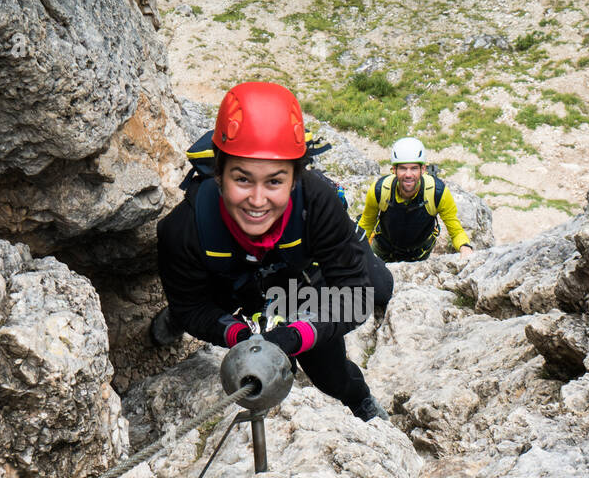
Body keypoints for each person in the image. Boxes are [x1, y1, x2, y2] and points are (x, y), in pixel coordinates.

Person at [155, 82, 389, 422]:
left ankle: (359, 399)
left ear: (295, 179)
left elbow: (354, 293)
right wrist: (236, 333)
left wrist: (297, 334)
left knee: (333, 372)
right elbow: (192, 306)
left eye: (275, 181)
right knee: (191, 305)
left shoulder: (316, 203)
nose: (257, 200)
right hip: (229, 282)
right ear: (218, 174)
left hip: (297, 281)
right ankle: (175, 319)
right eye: (242, 179)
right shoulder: (183, 229)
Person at [358, 137, 475, 263]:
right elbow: (366, 223)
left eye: (414, 168)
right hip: (383, 247)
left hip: (418, 254)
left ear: (423, 169)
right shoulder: (379, 190)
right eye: (403, 168)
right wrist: (354, 250)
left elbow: (456, 231)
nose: (408, 174)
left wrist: (465, 247)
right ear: (394, 170)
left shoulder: (437, 193)